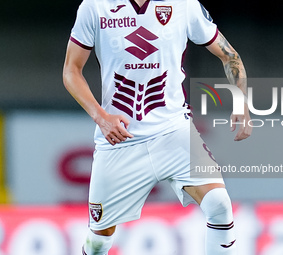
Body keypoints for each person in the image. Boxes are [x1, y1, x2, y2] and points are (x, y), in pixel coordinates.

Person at [63, 0, 252, 254]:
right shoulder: (95, 6)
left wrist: (241, 102)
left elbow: (229, 55)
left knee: (219, 204)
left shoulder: (184, 5)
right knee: (100, 238)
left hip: (174, 132)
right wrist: (101, 117)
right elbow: (71, 71)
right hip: (121, 141)